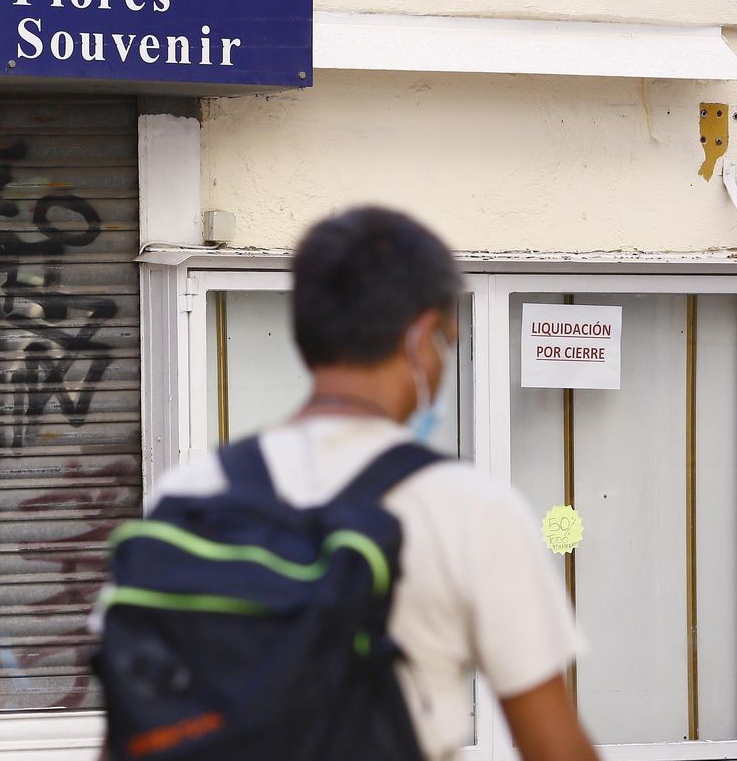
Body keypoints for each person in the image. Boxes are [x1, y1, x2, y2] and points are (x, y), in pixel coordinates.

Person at [138, 207, 596, 761]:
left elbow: (137, 712)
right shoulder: (470, 509)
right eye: (447, 343)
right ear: (420, 338)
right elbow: (555, 749)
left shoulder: (189, 493)